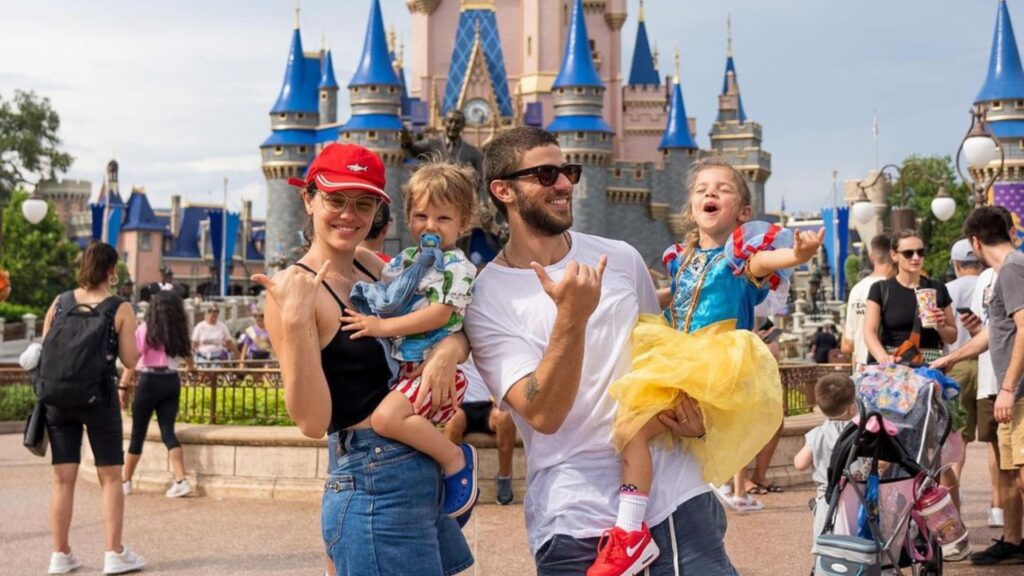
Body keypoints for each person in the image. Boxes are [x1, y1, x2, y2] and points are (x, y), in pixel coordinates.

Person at [466, 127, 734, 576]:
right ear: (503, 190)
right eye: (546, 174)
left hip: (675, 499)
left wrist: (696, 413)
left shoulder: (621, 257)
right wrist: (571, 319)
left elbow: (659, 357)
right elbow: (542, 414)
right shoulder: (488, 297)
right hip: (577, 516)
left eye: (569, 171)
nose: (565, 184)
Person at [251, 143, 472, 575]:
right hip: (372, 482)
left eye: (364, 203)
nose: (349, 215)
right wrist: (296, 323)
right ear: (308, 198)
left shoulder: (374, 267)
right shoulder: (292, 290)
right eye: (335, 199)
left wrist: (447, 351)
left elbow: (447, 322)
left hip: (416, 465)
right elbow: (313, 423)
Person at [596, 159, 822, 573]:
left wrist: (797, 253)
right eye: (701, 188)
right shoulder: (680, 257)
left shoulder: (740, 258)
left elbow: (767, 264)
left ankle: (630, 535)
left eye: (722, 189)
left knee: (632, 431)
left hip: (713, 360)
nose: (709, 194)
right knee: (630, 428)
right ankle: (639, 528)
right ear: (690, 204)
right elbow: (670, 297)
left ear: (743, 213)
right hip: (675, 353)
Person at [339, 159, 480, 518]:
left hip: (432, 367)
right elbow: (385, 282)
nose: (430, 226)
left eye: (443, 218)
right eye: (421, 216)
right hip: (407, 369)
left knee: (386, 420)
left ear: (463, 223)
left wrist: (380, 327)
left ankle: (456, 459)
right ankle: (435, 483)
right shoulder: (407, 260)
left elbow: (441, 313)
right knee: (396, 429)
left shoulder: (456, 267)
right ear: (407, 218)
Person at [41, 241, 145, 575]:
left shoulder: (60, 303)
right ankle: (113, 553)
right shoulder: (120, 308)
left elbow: (46, 349)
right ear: (112, 270)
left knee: (62, 480)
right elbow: (130, 359)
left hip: (58, 398)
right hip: (98, 398)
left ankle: (60, 554)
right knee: (111, 477)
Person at [932, 205, 1024, 565]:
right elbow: (994, 333)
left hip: (1017, 392)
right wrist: (953, 357)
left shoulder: (1012, 270)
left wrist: (1007, 387)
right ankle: (1014, 540)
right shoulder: (1010, 270)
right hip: (1011, 389)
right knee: (1010, 472)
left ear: (974, 242)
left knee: (1020, 472)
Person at [119, 291, 194, 499]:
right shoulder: (179, 332)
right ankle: (181, 480)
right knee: (168, 432)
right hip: (171, 380)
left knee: (138, 433)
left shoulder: (146, 329)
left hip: (149, 381)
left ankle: (125, 481)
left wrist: (123, 386)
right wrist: (191, 369)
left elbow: (132, 360)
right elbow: (189, 358)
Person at [444, 357, 518, 505]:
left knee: (505, 417)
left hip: (488, 406)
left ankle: (505, 477)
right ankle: (454, 477)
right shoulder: (455, 344)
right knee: (453, 420)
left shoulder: (491, 346)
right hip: (461, 406)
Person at [794, 373, 856, 547]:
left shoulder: (818, 434)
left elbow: (799, 464)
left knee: (826, 545)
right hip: (858, 497)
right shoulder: (861, 434)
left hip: (826, 499)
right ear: (852, 408)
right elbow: (884, 463)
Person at [944, 239, 983, 480]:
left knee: (957, 437)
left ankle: (953, 491)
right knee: (996, 441)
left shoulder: (946, 289)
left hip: (955, 364)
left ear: (956, 264)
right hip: (988, 365)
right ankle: (997, 505)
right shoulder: (989, 283)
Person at [842, 234, 893, 370]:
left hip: (863, 366)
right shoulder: (897, 287)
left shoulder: (857, 289)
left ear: (872, 258)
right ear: (895, 256)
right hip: (892, 364)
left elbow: (847, 344)